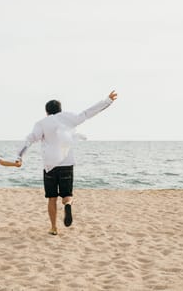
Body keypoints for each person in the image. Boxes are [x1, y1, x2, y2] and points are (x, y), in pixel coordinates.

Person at [17, 90, 118, 235]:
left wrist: (19, 156)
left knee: (52, 198)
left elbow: (30, 139)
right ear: (60, 109)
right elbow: (88, 113)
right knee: (67, 195)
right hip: (67, 163)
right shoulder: (69, 118)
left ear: (46, 112)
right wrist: (107, 101)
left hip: (50, 166)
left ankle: (53, 228)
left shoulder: (42, 123)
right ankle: (68, 205)